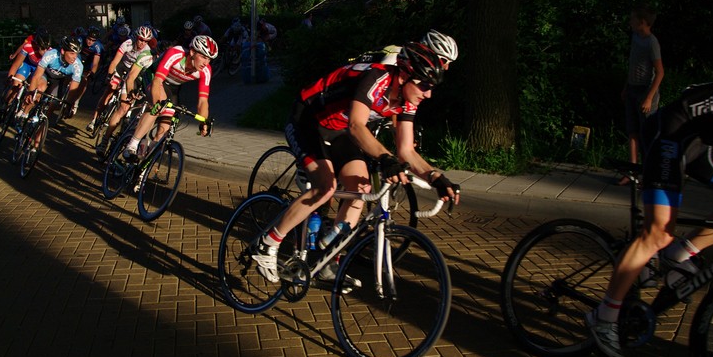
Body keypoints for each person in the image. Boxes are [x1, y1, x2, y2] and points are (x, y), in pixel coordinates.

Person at [247, 31, 461, 286]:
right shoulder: (377, 77)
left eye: (431, 88)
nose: (428, 94)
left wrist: (436, 177)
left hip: (337, 129)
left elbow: (407, 151)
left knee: (361, 189)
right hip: (308, 118)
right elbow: (357, 126)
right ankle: (267, 243)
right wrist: (385, 158)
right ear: (405, 77)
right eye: (425, 86)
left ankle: (328, 262)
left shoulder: (408, 100)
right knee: (326, 187)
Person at [586, 77, 713, 357]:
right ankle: (604, 317)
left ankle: (678, 256)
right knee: (658, 234)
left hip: (701, 139)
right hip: (672, 131)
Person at [122, 34, 217, 160]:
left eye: (209, 59)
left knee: (165, 128)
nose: (206, 63)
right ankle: (132, 145)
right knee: (159, 106)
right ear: (192, 52)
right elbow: (157, 82)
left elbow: (203, 101)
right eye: (203, 57)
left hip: (172, 87)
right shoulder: (176, 54)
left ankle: (146, 160)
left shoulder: (206, 70)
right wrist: (156, 104)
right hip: (155, 77)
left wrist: (203, 121)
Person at [93, 26, 158, 157]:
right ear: (136, 37)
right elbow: (115, 62)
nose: (142, 43)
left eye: (146, 41)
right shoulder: (127, 44)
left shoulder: (147, 51)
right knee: (121, 106)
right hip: (123, 70)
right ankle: (104, 140)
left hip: (136, 77)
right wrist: (109, 76)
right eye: (140, 39)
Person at [619, 5, 663, 185]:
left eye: (633, 19)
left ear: (642, 22)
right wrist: (626, 87)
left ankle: (649, 173)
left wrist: (649, 97)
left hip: (646, 91)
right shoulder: (635, 38)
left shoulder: (652, 42)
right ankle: (632, 171)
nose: (630, 22)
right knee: (632, 131)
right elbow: (632, 65)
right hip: (632, 88)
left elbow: (660, 72)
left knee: (647, 134)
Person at [16, 35, 84, 131]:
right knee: (39, 89)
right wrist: (30, 92)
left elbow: (73, 89)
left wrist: (68, 104)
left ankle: (40, 127)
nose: (75, 57)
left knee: (54, 103)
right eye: (72, 53)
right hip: (45, 75)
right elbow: (37, 76)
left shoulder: (78, 65)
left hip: (59, 81)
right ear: (63, 51)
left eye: (76, 54)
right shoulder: (51, 55)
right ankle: (24, 114)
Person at [0, 27, 51, 119]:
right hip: (27, 65)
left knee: (37, 89)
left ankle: (23, 110)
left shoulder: (50, 52)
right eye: (42, 49)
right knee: (16, 84)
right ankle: (5, 105)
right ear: (37, 45)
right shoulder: (28, 46)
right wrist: (10, 77)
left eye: (46, 49)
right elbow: (16, 64)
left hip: (38, 69)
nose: (45, 52)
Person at [68, 25, 104, 118]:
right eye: (89, 39)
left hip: (89, 63)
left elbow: (95, 63)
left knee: (84, 81)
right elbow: (74, 54)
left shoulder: (98, 47)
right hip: (79, 57)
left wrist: (92, 73)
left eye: (93, 40)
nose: (90, 42)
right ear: (86, 36)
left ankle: (76, 101)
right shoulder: (80, 39)